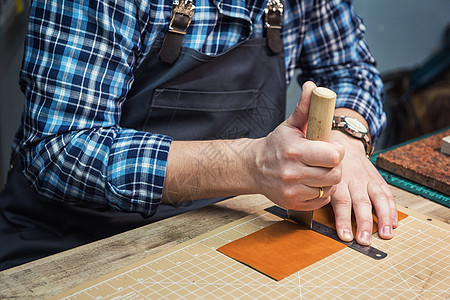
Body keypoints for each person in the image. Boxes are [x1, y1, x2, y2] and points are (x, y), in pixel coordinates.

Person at [0, 0, 398, 271]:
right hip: (74, 243)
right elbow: (61, 146)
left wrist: (345, 139)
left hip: (226, 228)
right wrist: (251, 164)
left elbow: (349, 70)